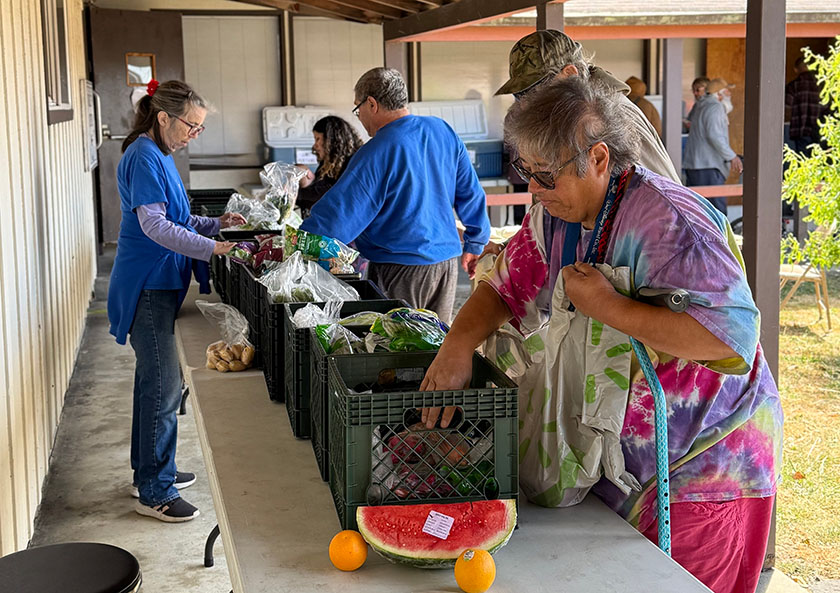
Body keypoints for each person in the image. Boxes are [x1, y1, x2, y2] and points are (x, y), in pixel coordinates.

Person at [421, 78, 782, 593]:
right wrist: (457, 344)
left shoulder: (669, 222)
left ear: (597, 157)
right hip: (622, 459)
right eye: (526, 174)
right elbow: (505, 285)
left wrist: (609, 307)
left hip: (704, 466)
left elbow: (731, 340)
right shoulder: (554, 216)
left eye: (545, 176)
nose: (534, 192)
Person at [107, 79, 245, 523]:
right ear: (163, 117)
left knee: (152, 383)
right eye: (191, 125)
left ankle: (146, 470)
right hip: (146, 285)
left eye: (199, 128)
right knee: (164, 388)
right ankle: (156, 491)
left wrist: (215, 222)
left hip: (161, 282)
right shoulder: (144, 156)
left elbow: (177, 217)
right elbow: (155, 227)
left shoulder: (159, 153)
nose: (193, 134)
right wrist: (212, 248)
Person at [300, 68, 490, 324]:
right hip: (445, 265)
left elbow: (339, 215)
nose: (361, 119)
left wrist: (300, 243)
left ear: (372, 104)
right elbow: (471, 192)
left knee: (397, 350)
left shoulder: (377, 150)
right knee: (434, 345)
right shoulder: (442, 131)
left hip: (400, 270)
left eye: (358, 110)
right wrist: (475, 242)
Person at [495, 30, 680, 183]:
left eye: (535, 90)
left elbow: (663, 194)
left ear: (570, 74)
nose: (526, 102)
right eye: (520, 94)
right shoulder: (569, 119)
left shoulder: (616, 115)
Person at [683, 77, 743, 216]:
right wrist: (732, 156)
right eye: (727, 91)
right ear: (719, 94)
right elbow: (714, 135)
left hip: (696, 165)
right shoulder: (715, 107)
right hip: (708, 167)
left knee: (699, 212)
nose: (730, 94)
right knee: (716, 213)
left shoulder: (700, 106)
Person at [296, 115, 363, 216]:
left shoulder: (352, 162)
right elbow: (317, 189)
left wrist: (296, 194)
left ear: (331, 140)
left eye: (318, 139)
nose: (315, 145)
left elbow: (330, 192)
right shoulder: (328, 162)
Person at [785, 56, 825, 154]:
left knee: (803, 162)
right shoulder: (821, 85)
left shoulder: (793, 86)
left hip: (800, 131)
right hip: (819, 132)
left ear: (796, 69)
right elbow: (827, 107)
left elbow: (786, 108)